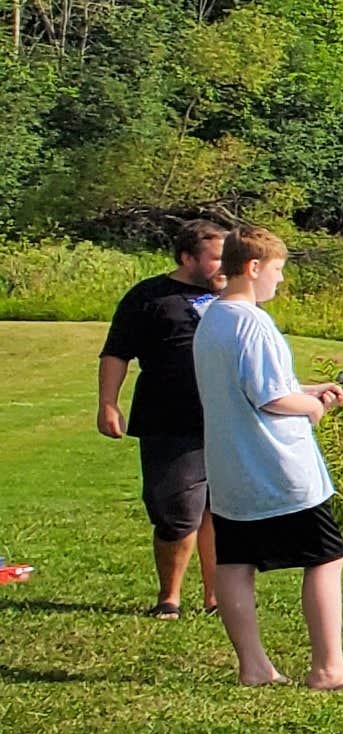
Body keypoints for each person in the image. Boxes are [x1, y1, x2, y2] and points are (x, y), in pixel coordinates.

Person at [188, 225, 343, 694]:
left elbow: (251, 385)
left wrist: (308, 389)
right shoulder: (253, 322)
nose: (280, 280)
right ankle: (328, 670)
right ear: (253, 268)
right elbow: (272, 400)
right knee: (328, 558)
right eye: (277, 270)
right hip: (277, 472)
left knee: (235, 564)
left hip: (233, 473)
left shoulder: (213, 316)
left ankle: (254, 668)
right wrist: (315, 406)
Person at [95, 218, 228, 616]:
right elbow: (116, 351)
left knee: (220, 510)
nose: (226, 266)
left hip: (227, 421)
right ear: (187, 257)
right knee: (177, 512)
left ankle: (216, 597)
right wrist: (108, 403)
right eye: (217, 258)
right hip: (169, 419)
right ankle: (169, 596)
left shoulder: (235, 298)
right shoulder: (149, 296)